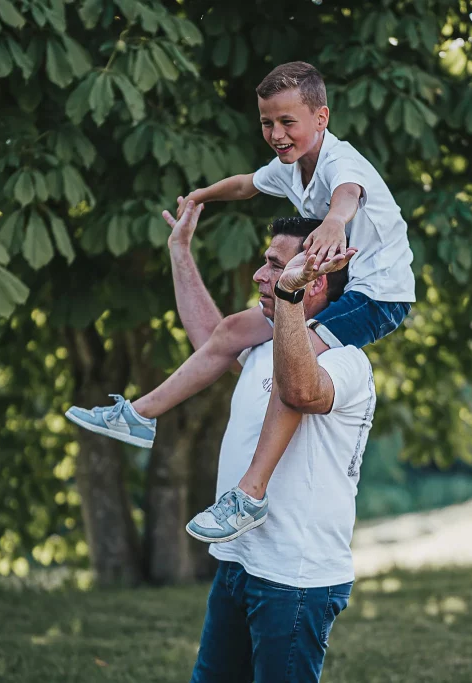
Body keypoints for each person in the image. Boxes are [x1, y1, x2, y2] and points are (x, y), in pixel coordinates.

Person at [65, 61, 412, 543]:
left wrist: (334, 223)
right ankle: (139, 416)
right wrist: (200, 197)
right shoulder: (290, 169)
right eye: (267, 122)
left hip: (376, 296)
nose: (276, 134)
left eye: (287, 122)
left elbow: (347, 195)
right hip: (333, 285)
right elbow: (246, 184)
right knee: (229, 331)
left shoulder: (340, 163)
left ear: (321, 118)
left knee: (296, 361)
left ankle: (250, 493)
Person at [166, 200, 374, 682]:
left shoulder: (348, 360)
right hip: (238, 561)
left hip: (294, 579)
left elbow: (300, 391)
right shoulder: (265, 343)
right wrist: (180, 252)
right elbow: (212, 340)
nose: (260, 275)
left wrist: (287, 297)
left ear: (315, 279)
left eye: (275, 266)